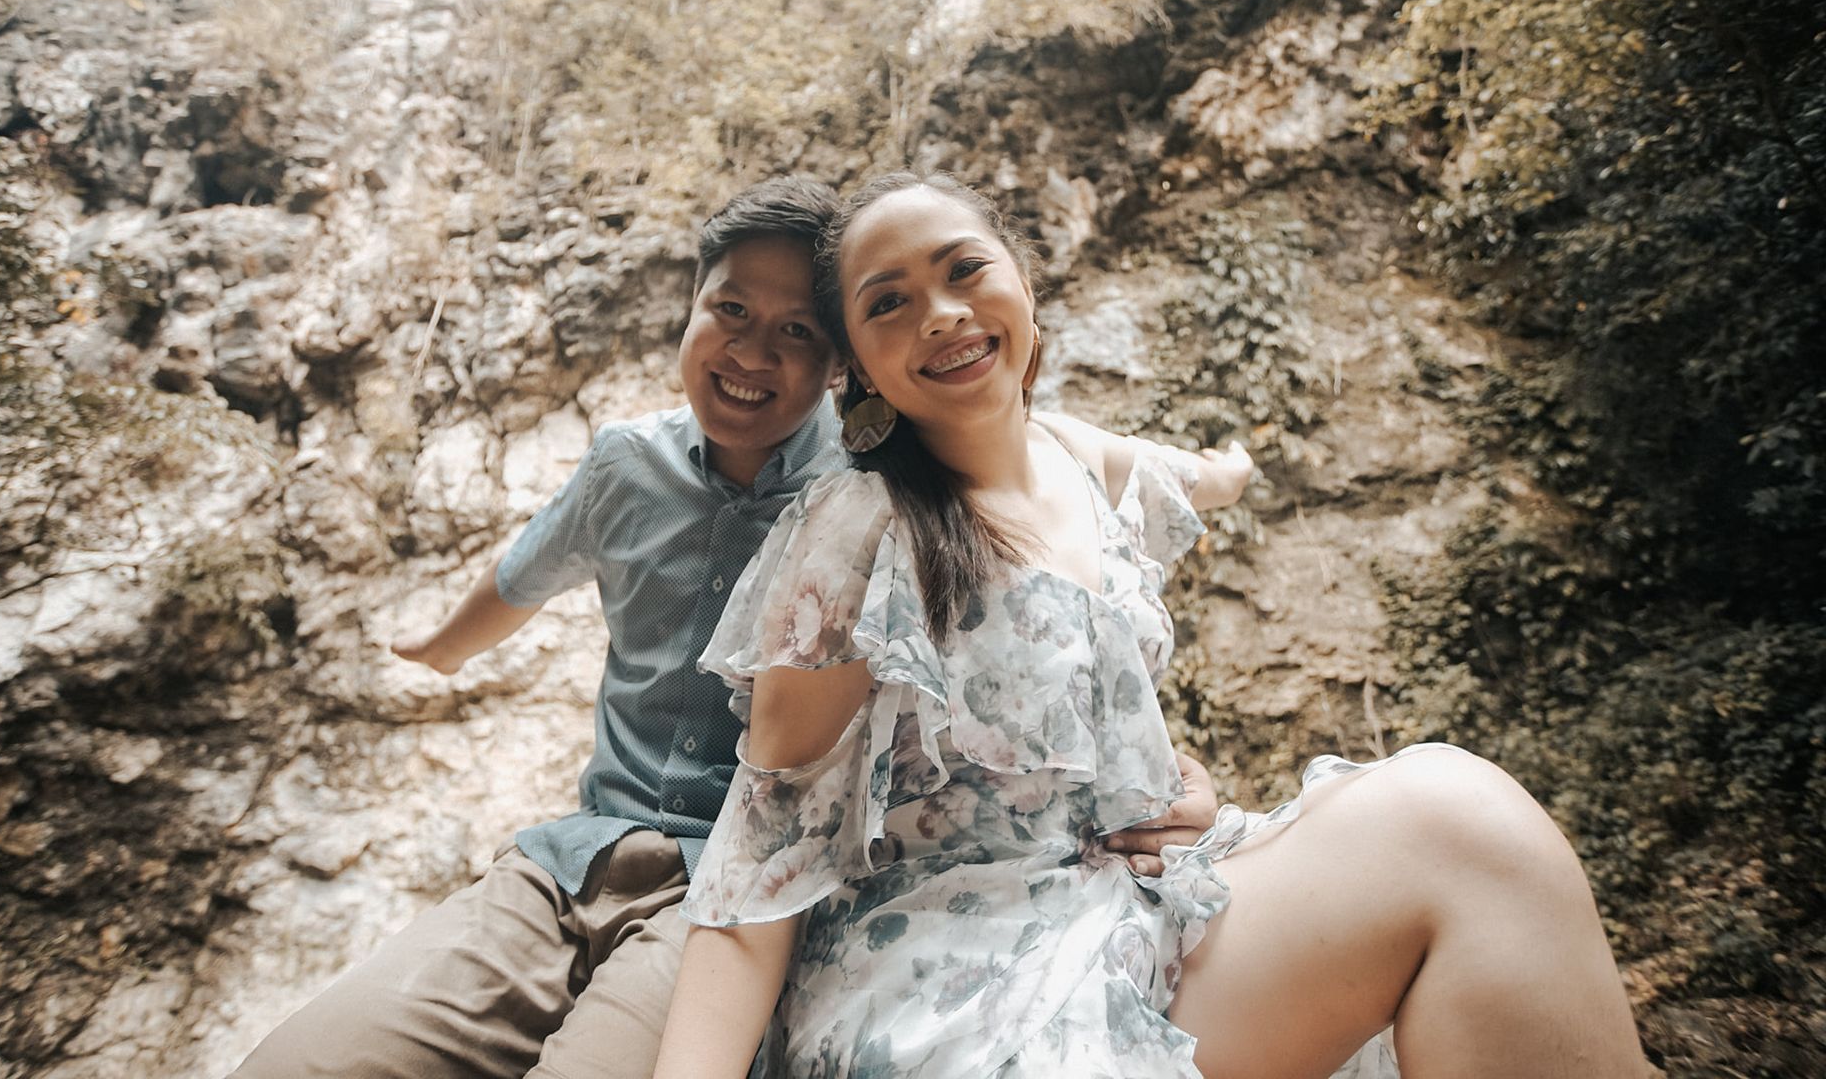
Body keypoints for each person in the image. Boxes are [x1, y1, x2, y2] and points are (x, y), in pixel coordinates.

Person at [653, 172, 1655, 1079]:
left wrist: (1231, 468)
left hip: (1143, 904)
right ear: (860, 369)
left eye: (964, 270)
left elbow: (1190, 473)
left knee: (1465, 820)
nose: (942, 313)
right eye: (889, 303)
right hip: (950, 975)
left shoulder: (1080, 466)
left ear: (1022, 281)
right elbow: (761, 855)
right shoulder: (858, 525)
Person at [232, 176, 1220, 1078]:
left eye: (797, 331)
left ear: (841, 368)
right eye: (731, 312)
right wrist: (441, 650)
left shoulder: (879, 488)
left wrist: (1153, 776)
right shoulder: (626, 464)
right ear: (692, 308)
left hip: (733, 896)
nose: (752, 353)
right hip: (570, 862)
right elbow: (520, 577)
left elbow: (1048, 485)